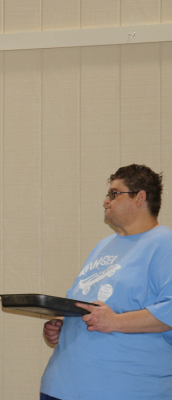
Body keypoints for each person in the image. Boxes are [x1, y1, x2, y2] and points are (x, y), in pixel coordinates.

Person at [40, 164, 172, 400]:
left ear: (140, 197)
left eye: (114, 193)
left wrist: (116, 322)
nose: (106, 201)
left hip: (122, 389)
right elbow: (84, 305)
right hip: (61, 386)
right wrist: (65, 326)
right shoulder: (104, 246)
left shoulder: (164, 244)